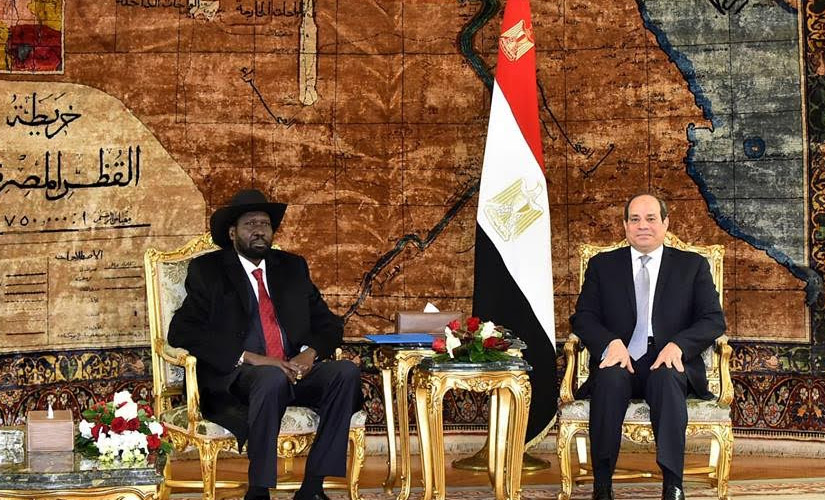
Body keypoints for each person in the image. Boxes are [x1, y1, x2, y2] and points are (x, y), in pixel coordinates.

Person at [168, 189, 362, 500]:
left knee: (345, 373)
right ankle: (258, 490)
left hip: (294, 371)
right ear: (232, 233)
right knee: (271, 377)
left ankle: (312, 487)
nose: (259, 230)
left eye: (265, 224)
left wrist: (310, 355)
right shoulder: (209, 271)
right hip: (240, 379)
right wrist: (253, 358)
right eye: (250, 224)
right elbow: (182, 331)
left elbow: (329, 323)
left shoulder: (292, 268)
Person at [570, 193, 726, 500]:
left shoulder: (691, 266)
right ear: (625, 225)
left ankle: (673, 485)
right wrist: (609, 343)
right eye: (635, 219)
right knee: (609, 380)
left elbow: (713, 320)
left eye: (651, 219)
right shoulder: (603, 266)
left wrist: (679, 346)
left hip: (667, 359)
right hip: (621, 358)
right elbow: (583, 317)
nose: (643, 226)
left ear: (665, 223)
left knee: (667, 379)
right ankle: (602, 485)